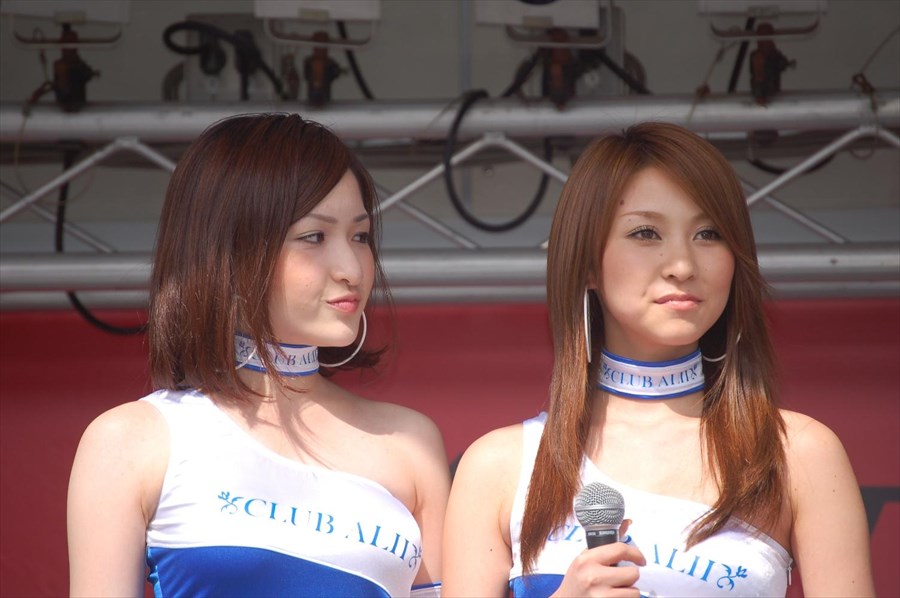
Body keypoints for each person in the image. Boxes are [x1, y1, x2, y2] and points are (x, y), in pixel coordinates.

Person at [442, 122, 874, 597]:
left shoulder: (797, 452)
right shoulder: (498, 466)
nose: (683, 265)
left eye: (709, 233)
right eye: (646, 233)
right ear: (586, 263)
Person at [67, 113, 449, 597]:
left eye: (360, 236)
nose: (352, 269)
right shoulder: (131, 440)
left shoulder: (411, 443)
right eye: (315, 237)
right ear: (228, 250)